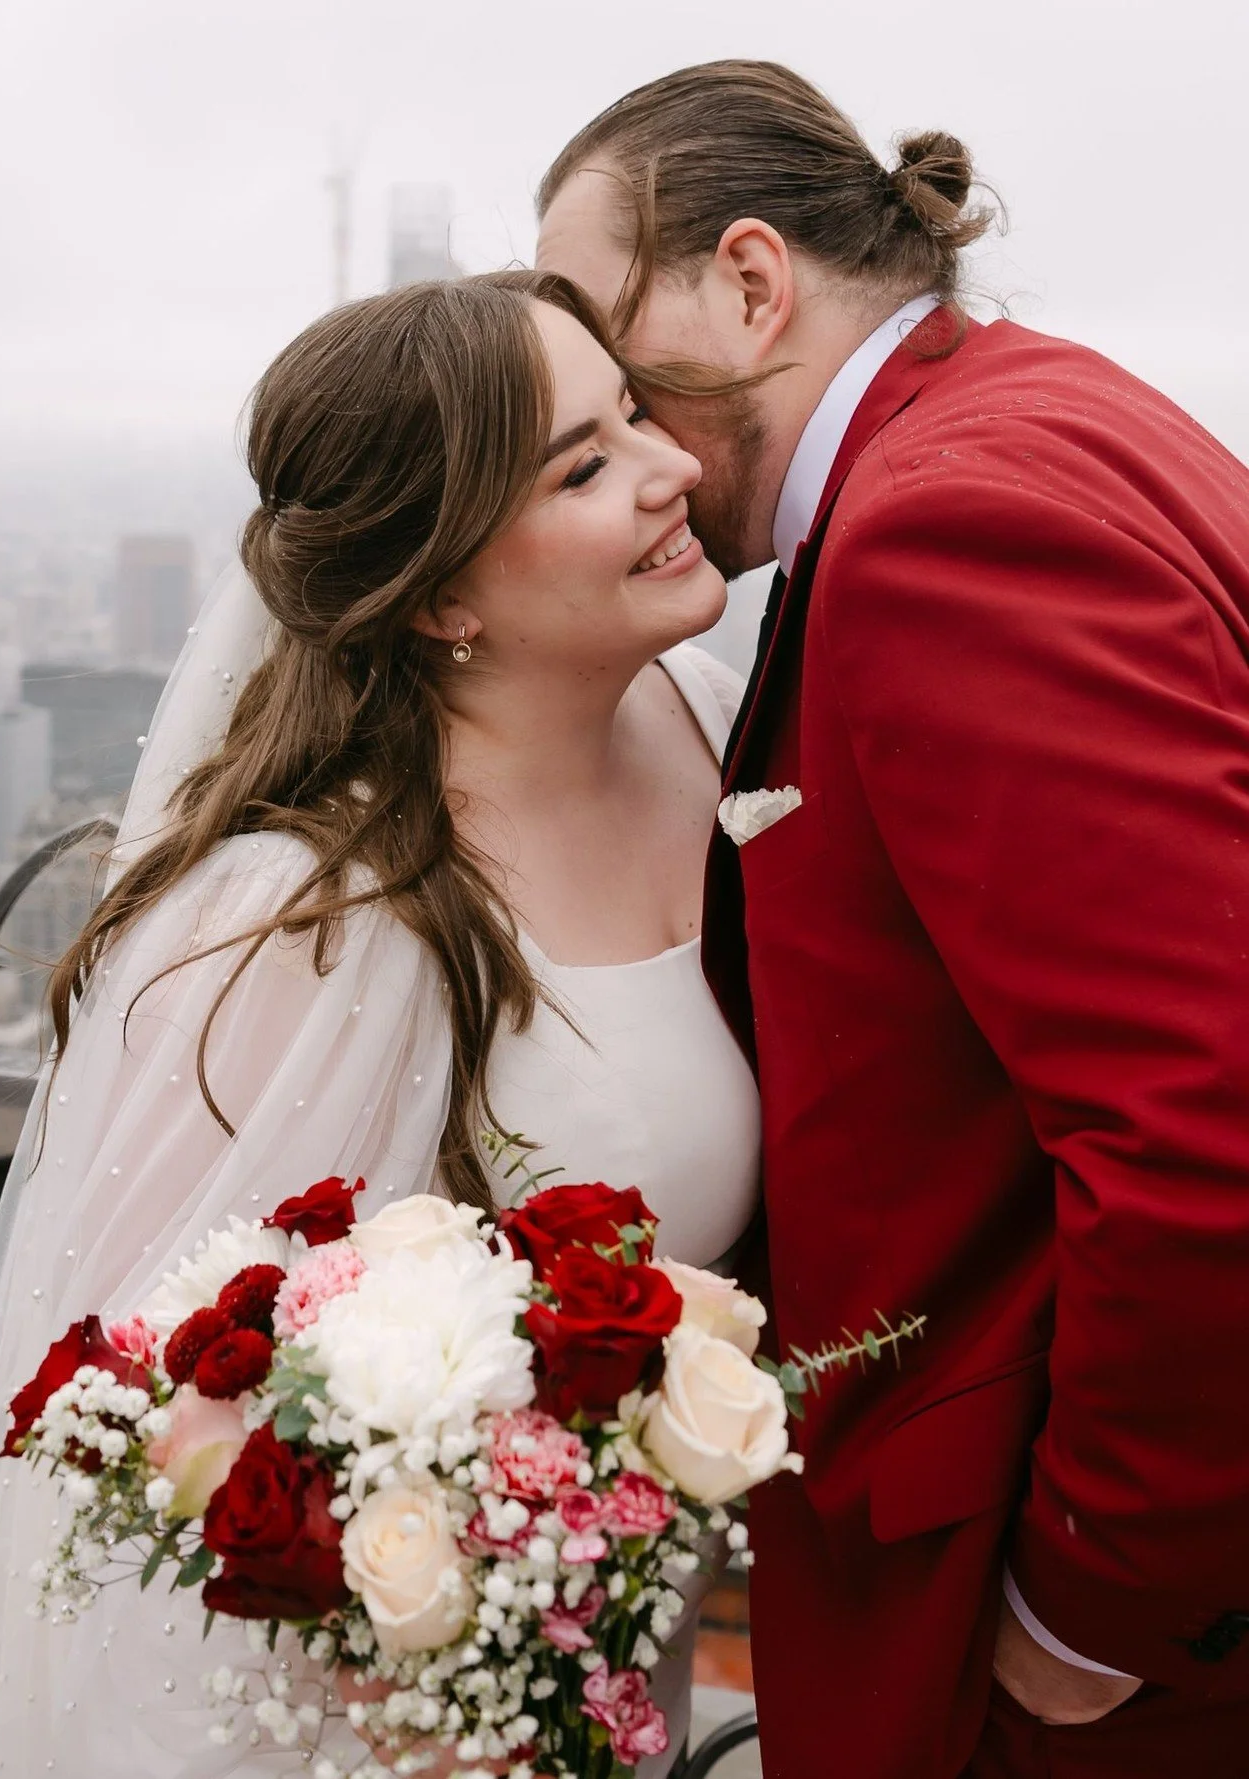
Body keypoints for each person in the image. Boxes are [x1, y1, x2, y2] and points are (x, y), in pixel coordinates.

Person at [0, 271, 759, 1778]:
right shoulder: (311, 926)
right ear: (439, 594)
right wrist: (434, 1704)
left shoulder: (713, 713)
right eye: (583, 464)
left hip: (626, 1659)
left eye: (631, 414)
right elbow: (138, 1429)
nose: (672, 466)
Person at [537, 57, 1249, 1779]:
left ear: (753, 277)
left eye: (608, 341)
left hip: (1077, 1646)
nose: (620, 420)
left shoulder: (946, 525)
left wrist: (1091, 1608)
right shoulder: (1055, 405)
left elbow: (1199, 1125)